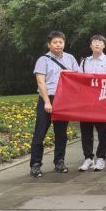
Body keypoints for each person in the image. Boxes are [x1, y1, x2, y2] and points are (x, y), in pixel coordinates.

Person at [29, 31, 80, 177]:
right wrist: (46, 102)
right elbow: (41, 82)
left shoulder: (70, 58)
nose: (58, 45)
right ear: (49, 44)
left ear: (64, 43)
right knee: (40, 133)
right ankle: (35, 165)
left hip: (63, 100)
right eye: (55, 42)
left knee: (61, 133)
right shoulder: (43, 60)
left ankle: (59, 162)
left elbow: (78, 77)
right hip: (47, 98)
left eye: (61, 42)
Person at [78, 34, 106, 172]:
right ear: (90, 45)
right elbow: (79, 80)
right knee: (86, 131)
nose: (97, 43)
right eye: (94, 41)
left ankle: (101, 158)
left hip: (102, 101)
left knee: (103, 131)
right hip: (86, 101)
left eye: (100, 42)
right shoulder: (84, 62)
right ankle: (88, 158)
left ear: (104, 45)